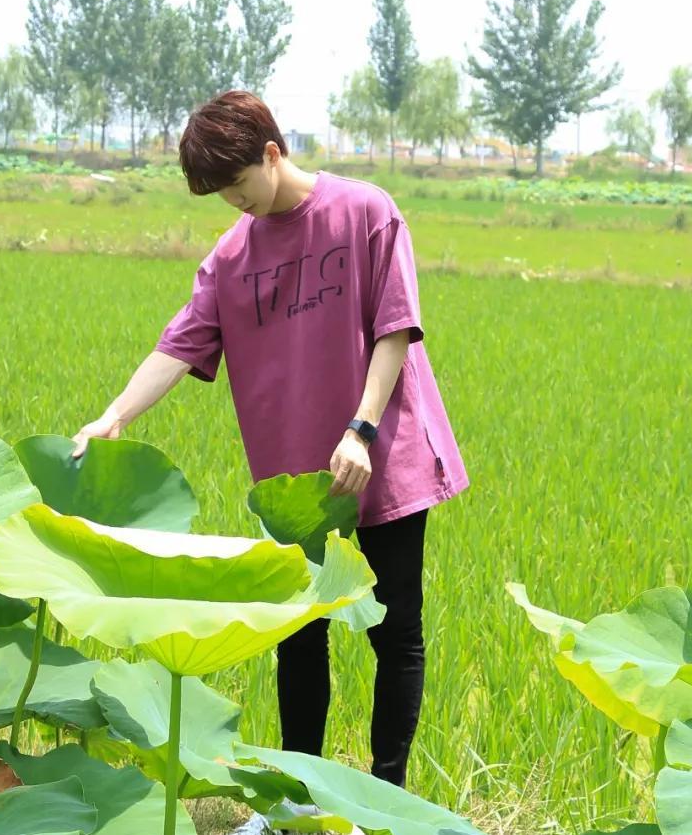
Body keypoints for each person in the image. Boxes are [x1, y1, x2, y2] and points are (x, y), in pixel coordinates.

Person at [71, 90, 468, 798]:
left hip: (382, 454)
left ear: (272, 153)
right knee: (298, 635)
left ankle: (388, 797)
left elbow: (395, 330)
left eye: (237, 185)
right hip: (297, 483)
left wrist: (361, 428)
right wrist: (116, 415)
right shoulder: (232, 257)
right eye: (219, 195)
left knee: (395, 631)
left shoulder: (365, 212)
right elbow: (178, 344)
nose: (233, 203)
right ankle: (292, 801)